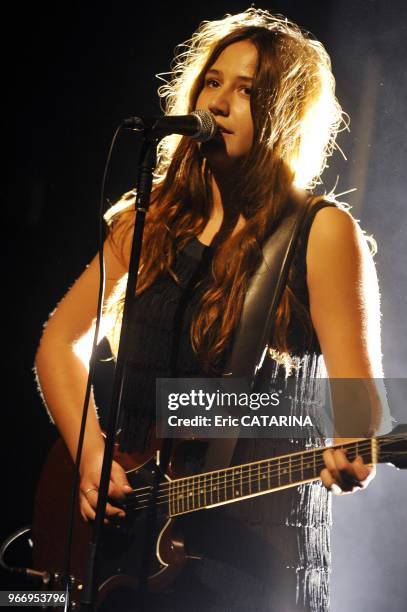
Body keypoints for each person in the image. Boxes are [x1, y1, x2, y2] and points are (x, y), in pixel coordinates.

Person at [34, 8, 386, 612]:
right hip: (132, 549)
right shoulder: (153, 221)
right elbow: (57, 344)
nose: (219, 102)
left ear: (284, 113)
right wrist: (92, 456)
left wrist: (355, 442)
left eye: (247, 91)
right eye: (213, 81)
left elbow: (360, 401)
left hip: (254, 554)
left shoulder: (320, 232)